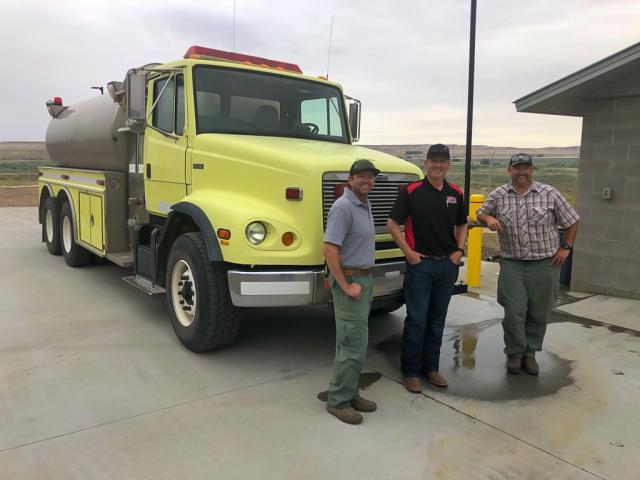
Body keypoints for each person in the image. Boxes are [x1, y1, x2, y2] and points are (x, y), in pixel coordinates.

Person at [476, 153, 580, 375]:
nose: (521, 171)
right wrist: (489, 219)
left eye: (525, 167)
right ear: (509, 170)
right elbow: (480, 212)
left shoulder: (549, 193)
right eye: (517, 167)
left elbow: (572, 221)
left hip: (546, 263)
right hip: (512, 263)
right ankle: (514, 352)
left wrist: (566, 247)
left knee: (539, 312)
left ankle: (530, 353)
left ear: (532, 170)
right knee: (514, 311)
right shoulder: (499, 194)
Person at [387, 144, 468, 393]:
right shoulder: (411, 191)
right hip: (420, 266)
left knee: (437, 320)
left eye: (443, 161)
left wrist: (459, 250)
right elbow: (392, 222)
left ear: (449, 165)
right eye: (434, 160)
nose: (438, 165)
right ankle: (411, 371)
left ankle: (430, 368)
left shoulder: (456, 193)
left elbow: (462, 224)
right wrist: (408, 253)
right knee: (417, 320)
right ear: (426, 162)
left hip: (447, 266)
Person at [323, 159, 380, 425]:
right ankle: (338, 401)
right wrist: (345, 285)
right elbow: (329, 249)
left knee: (354, 342)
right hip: (351, 282)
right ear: (350, 179)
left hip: (363, 280)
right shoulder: (343, 207)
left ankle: (349, 391)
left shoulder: (364, 204)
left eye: (370, 177)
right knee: (351, 344)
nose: (367, 181)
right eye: (361, 176)